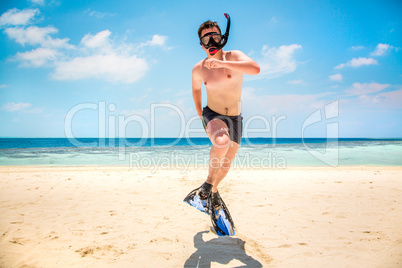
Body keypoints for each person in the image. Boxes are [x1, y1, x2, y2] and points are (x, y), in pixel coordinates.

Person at [184, 14, 260, 236]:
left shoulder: (234, 56)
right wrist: (200, 112)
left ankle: (214, 193)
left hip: (236, 117)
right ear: (201, 44)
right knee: (221, 141)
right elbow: (196, 89)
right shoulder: (198, 69)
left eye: (214, 37)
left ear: (223, 37)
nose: (211, 43)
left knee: (226, 165)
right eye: (206, 40)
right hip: (213, 114)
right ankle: (207, 185)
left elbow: (255, 69)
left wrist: (223, 62)